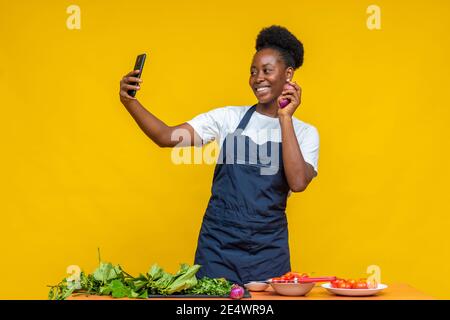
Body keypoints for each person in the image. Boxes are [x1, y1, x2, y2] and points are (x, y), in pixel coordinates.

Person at [119, 25, 319, 285]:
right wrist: (130, 102)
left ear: (288, 74)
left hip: (269, 253)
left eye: (267, 70)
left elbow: (298, 182)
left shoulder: (304, 133)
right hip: (217, 249)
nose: (258, 78)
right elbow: (166, 137)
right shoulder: (228, 118)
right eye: (253, 71)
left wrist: (284, 118)